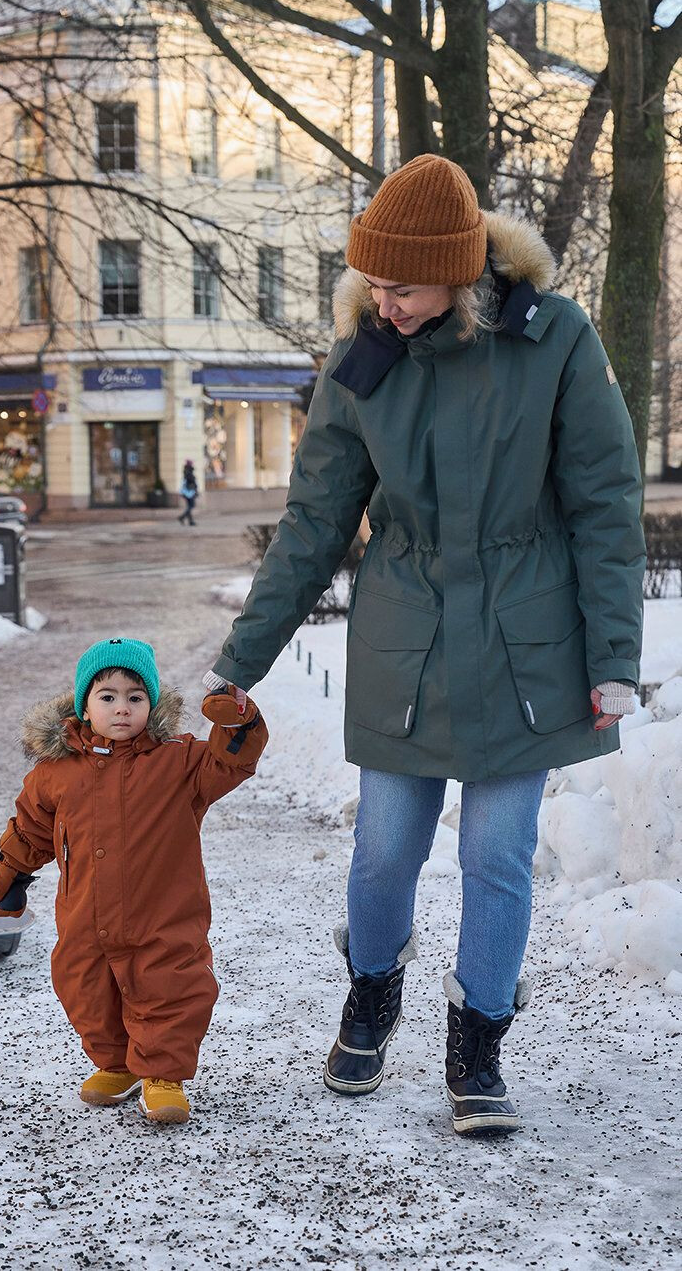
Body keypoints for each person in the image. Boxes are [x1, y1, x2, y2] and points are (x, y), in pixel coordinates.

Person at [203, 154, 645, 1136]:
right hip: (407, 638)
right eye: (375, 284)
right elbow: (315, 522)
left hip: (528, 642)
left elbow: (605, 504)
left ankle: (478, 1044)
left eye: (402, 287)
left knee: (497, 854)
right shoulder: (365, 358)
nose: (384, 304)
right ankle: (372, 992)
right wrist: (244, 658)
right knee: (383, 853)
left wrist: (614, 656)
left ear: (455, 269)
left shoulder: (555, 339)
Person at [0, 637, 268, 1124]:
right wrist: (9, 875)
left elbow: (231, 760)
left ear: (152, 705)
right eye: (107, 696)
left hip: (162, 913)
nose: (122, 708)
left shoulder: (179, 761)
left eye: (136, 697)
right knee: (84, 985)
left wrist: (237, 719)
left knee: (167, 985)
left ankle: (162, 1072)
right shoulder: (57, 772)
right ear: (83, 704)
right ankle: (116, 1062)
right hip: (85, 916)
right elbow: (29, 829)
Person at [178, 459, 199, 526]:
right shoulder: (189, 473)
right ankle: (182, 517)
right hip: (189, 492)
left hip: (186, 492)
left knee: (189, 506)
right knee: (191, 506)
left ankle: (190, 521)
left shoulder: (186, 472)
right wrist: (195, 490)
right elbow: (192, 483)